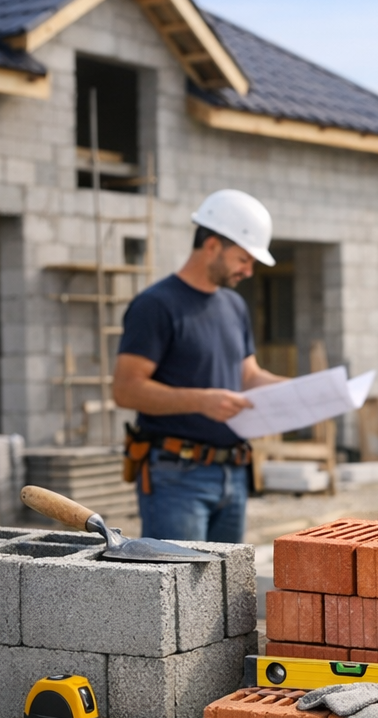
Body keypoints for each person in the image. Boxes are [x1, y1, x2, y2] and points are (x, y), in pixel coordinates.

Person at [113, 189, 286, 542]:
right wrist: (202, 401)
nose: (248, 271)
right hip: (175, 477)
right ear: (212, 245)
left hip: (233, 474)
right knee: (178, 589)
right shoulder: (155, 306)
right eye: (243, 259)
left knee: (223, 588)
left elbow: (248, 376)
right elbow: (125, 389)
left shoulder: (234, 307)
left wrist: (304, 391)